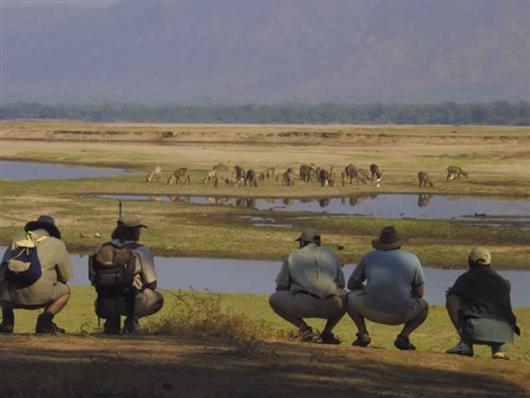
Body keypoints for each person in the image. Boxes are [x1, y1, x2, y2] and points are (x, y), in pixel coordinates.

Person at [345, 226, 428, 350]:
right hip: (400, 314)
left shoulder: (369, 257)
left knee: (347, 297)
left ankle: (362, 333)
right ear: (399, 244)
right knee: (424, 307)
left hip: (369, 309)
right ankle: (404, 336)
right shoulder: (412, 259)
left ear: (380, 243)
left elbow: (351, 285)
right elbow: (419, 294)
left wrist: (364, 288)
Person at [89, 214, 164, 334]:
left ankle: (111, 323)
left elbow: (93, 279)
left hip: (102, 304)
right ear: (135, 231)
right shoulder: (141, 251)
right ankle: (131, 321)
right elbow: (152, 284)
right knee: (158, 298)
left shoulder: (101, 248)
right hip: (131, 303)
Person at [269, 227, 345, 344]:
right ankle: (327, 331)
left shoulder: (293, 256)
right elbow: (341, 284)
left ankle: (304, 329)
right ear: (319, 243)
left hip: (302, 303)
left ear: (302, 242)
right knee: (348, 299)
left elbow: (281, 287)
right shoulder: (332, 255)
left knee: (274, 299)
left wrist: (296, 287)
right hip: (331, 305)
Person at [0, 215, 72, 334]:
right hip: (43, 296)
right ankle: (45, 321)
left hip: (11, 297)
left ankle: (7, 322)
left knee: (4, 283)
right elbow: (65, 276)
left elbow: (4, 268)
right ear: (51, 231)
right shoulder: (57, 243)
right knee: (66, 291)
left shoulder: (17, 239)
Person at [446, 247, 520, 359]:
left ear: (470, 261)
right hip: (504, 334)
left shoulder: (466, 278)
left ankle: (465, 344)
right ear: (490, 261)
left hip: (475, 332)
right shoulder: (504, 282)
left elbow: (454, 295)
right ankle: (498, 349)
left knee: (452, 298)